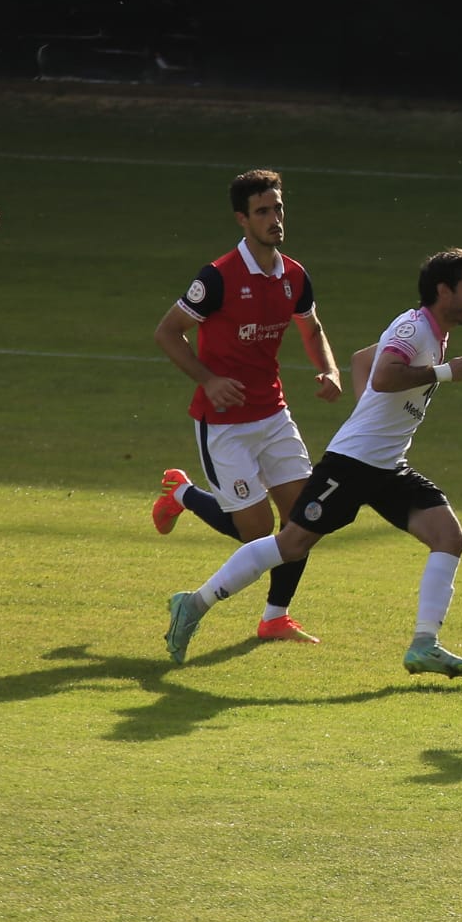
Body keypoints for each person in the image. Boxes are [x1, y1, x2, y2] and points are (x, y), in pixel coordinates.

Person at [165, 249, 462, 678]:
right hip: (351, 466)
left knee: (449, 537)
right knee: (292, 544)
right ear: (444, 292)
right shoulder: (415, 329)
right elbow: (385, 375)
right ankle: (194, 603)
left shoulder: (430, 331)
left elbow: (361, 361)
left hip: (387, 466)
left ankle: (424, 645)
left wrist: (367, 413)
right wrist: (442, 374)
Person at [150, 169, 341, 643]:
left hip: (274, 416)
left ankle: (275, 617)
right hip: (225, 426)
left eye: (278, 208)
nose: (274, 219)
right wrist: (209, 380)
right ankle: (182, 495)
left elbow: (311, 327)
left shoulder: (294, 275)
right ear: (242, 219)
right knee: (254, 534)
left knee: (304, 520)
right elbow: (167, 332)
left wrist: (330, 369)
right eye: (263, 211)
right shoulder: (216, 278)